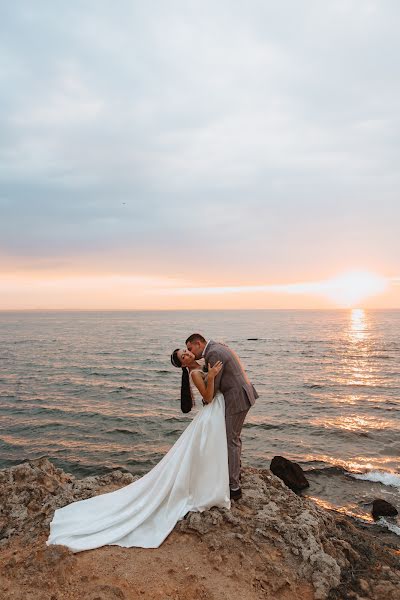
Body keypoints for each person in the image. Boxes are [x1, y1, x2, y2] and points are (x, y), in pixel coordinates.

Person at [46, 349, 229, 552]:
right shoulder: (195, 374)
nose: (186, 354)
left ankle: (205, 485)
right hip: (210, 413)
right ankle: (202, 489)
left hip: (212, 415)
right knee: (201, 452)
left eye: (185, 351)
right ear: (183, 365)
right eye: (183, 357)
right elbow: (208, 397)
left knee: (203, 454)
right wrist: (211, 376)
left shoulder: (201, 364)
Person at [186, 334, 258, 500]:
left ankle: (234, 487)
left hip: (236, 397)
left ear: (198, 343)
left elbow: (213, 387)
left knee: (230, 440)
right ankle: (235, 473)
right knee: (234, 438)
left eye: (190, 349)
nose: (191, 352)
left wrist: (206, 401)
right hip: (241, 394)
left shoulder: (213, 353)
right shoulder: (217, 346)